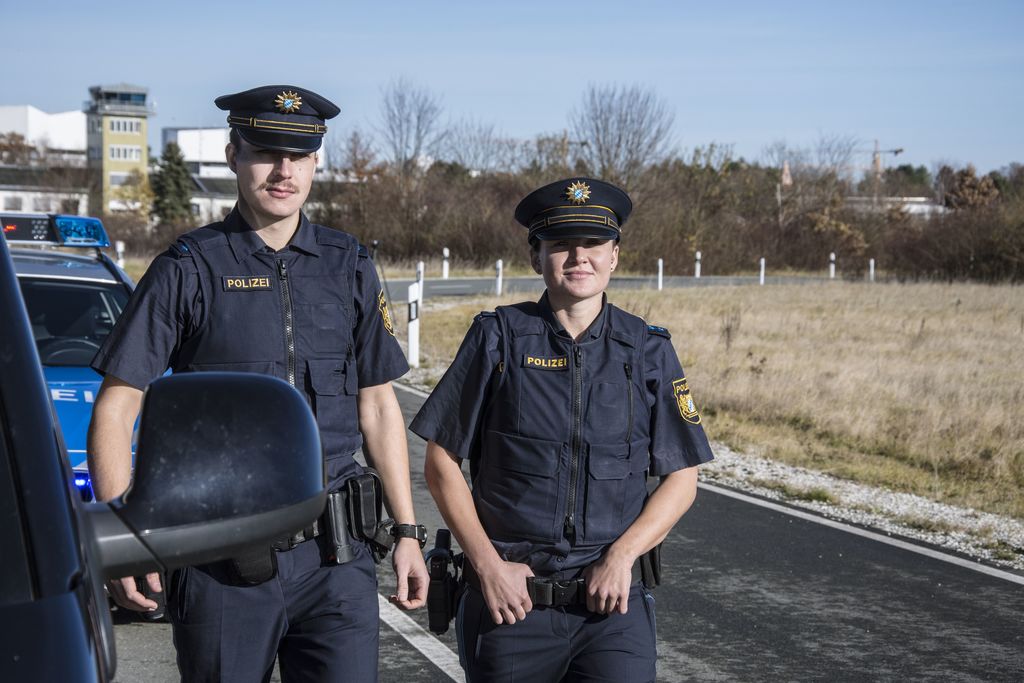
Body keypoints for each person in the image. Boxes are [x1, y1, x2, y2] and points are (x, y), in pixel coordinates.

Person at [87, 85, 428, 682]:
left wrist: (405, 531)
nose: (283, 170)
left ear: (317, 162)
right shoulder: (188, 266)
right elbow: (117, 407)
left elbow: (377, 406)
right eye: (266, 152)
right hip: (221, 560)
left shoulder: (348, 264)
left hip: (337, 560)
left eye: (299, 154)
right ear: (233, 156)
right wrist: (126, 537)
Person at [411, 178, 714, 681]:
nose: (579, 257)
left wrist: (622, 556)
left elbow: (683, 478)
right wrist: (487, 567)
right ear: (536, 257)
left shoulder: (648, 350)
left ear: (614, 256)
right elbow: (441, 460)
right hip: (513, 603)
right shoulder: (497, 339)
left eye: (593, 244)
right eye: (560, 245)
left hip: (612, 608)